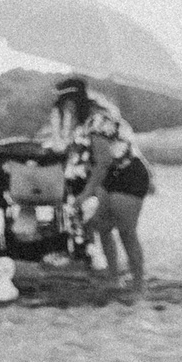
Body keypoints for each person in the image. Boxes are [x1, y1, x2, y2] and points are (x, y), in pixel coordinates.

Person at [47, 76, 155, 290]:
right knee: (102, 226)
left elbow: (103, 161)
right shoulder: (88, 121)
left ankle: (138, 284)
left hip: (128, 175)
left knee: (126, 231)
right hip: (112, 177)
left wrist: (86, 194)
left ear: (72, 102)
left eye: (66, 107)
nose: (66, 112)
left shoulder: (97, 120)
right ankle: (114, 278)